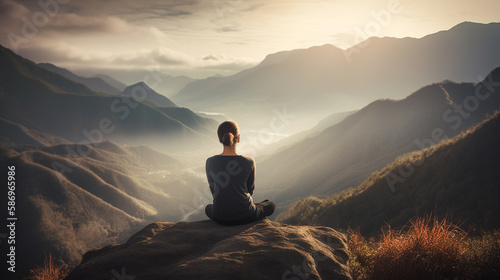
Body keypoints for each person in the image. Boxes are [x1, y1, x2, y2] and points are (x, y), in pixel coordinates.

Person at [205, 120, 276, 226]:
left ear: (220, 139)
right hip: (245, 215)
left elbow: (213, 190)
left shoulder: (210, 161)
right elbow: (250, 190)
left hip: (220, 216)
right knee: (270, 204)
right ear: (238, 138)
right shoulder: (249, 162)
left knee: (207, 208)